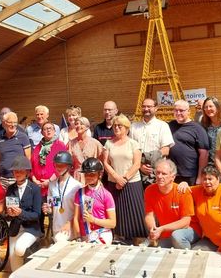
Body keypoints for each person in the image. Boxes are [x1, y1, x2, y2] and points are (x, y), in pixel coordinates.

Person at [103, 114, 147, 242]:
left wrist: (124, 179)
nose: (116, 128)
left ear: (127, 128)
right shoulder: (108, 143)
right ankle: (119, 236)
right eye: (115, 126)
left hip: (132, 183)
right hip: (113, 183)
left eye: (119, 126)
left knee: (134, 211)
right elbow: (106, 163)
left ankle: (137, 238)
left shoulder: (133, 143)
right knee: (118, 211)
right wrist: (117, 178)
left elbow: (137, 164)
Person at [175, 164, 221, 250]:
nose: (207, 182)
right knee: (195, 256)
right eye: (204, 179)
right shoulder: (199, 190)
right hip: (210, 240)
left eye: (210, 179)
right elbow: (184, 191)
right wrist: (184, 183)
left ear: (218, 179)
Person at [144, 159, 198, 248]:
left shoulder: (182, 191)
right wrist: (152, 229)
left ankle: (186, 257)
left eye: (164, 174)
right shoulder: (149, 190)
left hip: (189, 230)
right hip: (166, 232)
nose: (160, 176)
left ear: (173, 177)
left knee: (177, 236)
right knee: (159, 251)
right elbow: (149, 215)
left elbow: (186, 222)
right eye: (157, 173)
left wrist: (162, 228)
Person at [6, 156, 42, 271]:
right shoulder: (10, 189)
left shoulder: (35, 189)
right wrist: (9, 213)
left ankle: (33, 254)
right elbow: (6, 212)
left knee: (20, 249)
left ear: (27, 172)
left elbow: (37, 215)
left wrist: (21, 213)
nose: (18, 173)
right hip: (15, 228)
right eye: (15, 171)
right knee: (14, 268)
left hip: (31, 228)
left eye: (21, 170)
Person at [129, 98, 174, 188]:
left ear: (156, 108)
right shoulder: (134, 127)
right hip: (137, 173)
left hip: (157, 173)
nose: (146, 109)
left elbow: (166, 150)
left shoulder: (163, 126)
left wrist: (151, 163)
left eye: (149, 106)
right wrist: (140, 165)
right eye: (144, 106)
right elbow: (130, 149)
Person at [73, 157, 116, 244]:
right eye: (86, 174)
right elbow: (76, 218)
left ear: (99, 174)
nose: (88, 177)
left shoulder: (106, 195)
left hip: (102, 233)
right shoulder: (79, 193)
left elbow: (112, 223)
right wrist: (78, 237)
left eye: (92, 174)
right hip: (84, 235)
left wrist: (94, 220)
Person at [43, 151, 82, 242]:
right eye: (57, 165)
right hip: (56, 228)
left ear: (69, 166)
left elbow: (80, 211)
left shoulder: (77, 186)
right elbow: (53, 206)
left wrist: (70, 223)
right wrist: (48, 209)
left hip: (70, 229)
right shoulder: (52, 185)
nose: (58, 168)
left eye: (62, 165)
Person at [168, 100, 209, 186]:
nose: (178, 113)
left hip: (190, 175)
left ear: (189, 111)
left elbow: (204, 154)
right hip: (171, 173)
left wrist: (200, 177)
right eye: (176, 110)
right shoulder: (169, 126)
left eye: (181, 110)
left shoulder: (198, 129)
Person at [0, 111, 31, 189]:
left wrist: (26, 175)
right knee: (2, 201)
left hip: (18, 178)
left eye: (15, 122)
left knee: (16, 201)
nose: (13, 125)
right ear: (4, 123)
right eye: (10, 122)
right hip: (2, 179)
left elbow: (28, 158)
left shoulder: (23, 137)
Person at [68, 117, 103, 184]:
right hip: (76, 178)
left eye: (81, 124)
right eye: (76, 124)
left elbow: (101, 161)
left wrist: (99, 176)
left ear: (87, 127)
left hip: (91, 176)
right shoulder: (70, 143)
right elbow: (69, 164)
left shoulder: (95, 143)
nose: (78, 126)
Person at [200, 96, 221, 163]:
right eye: (206, 107)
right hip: (211, 162)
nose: (208, 109)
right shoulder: (204, 124)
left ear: (217, 107)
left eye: (210, 106)